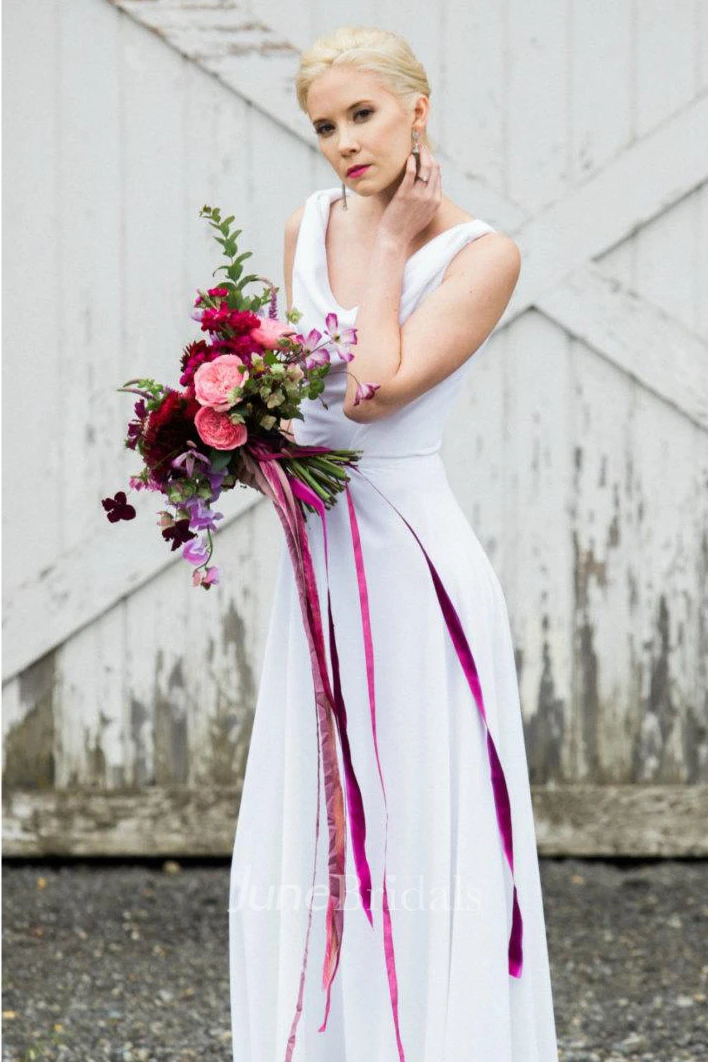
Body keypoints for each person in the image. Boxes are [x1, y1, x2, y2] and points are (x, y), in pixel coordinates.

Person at [229, 24, 559, 1062]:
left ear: (418, 108)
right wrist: (237, 437)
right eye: (323, 125)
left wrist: (385, 245)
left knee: (421, 805)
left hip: (415, 562)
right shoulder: (304, 223)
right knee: (326, 801)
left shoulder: (483, 253)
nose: (341, 144)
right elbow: (301, 400)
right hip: (321, 557)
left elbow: (371, 393)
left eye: (361, 114)